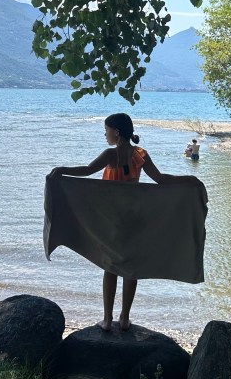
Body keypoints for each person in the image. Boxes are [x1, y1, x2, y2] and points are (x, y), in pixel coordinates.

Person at [49, 112, 201, 332]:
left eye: (106, 130)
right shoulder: (140, 155)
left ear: (116, 132)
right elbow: (161, 179)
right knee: (132, 268)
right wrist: (189, 180)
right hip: (135, 218)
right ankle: (125, 318)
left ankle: (108, 319)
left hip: (112, 221)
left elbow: (86, 171)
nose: (105, 134)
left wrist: (61, 171)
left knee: (110, 267)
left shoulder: (110, 156)